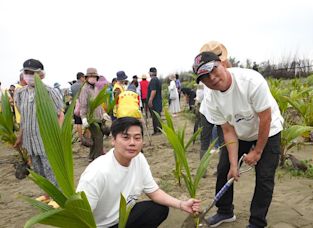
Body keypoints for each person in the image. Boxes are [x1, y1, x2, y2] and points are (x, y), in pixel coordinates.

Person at [192, 51, 284, 228]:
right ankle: (225, 211)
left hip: (268, 130)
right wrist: (234, 165)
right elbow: (228, 130)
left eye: (213, 70)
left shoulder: (251, 81)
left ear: (223, 64)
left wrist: (257, 152)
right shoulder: (211, 98)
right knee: (224, 169)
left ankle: (257, 222)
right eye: (204, 77)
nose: (212, 78)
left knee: (264, 177)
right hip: (239, 132)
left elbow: (265, 118)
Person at [76, 117, 201, 228]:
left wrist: (181, 204)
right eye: (125, 137)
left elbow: (154, 192)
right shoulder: (97, 172)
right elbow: (79, 217)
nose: (132, 143)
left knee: (158, 210)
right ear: (113, 140)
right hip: (100, 225)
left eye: (137, 138)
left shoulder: (138, 159)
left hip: (122, 220)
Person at [14, 59, 64, 204]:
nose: (28, 75)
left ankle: (58, 197)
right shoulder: (20, 93)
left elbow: (60, 115)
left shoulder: (49, 92)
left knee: (51, 169)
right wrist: (20, 137)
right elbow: (24, 118)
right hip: (30, 140)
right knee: (38, 169)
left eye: (32, 73)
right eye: (26, 72)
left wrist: (58, 136)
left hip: (46, 139)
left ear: (41, 75)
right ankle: (47, 195)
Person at [79, 68, 110, 162]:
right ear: (87, 77)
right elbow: (83, 105)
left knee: (95, 137)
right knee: (99, 137)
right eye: (90, 76)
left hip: (98, 117)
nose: (92, 78)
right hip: (91, 118)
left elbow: (99, 103)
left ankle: (92, 156)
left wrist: (104, 113)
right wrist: (83, 118)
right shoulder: (84, 89)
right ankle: (97, 158)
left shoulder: (96, 88)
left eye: (94, 76)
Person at [147, 67, 162, 135]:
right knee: (157, 115)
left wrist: (150, 100)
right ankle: (159, 130)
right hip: (158, 101)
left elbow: (153, 90)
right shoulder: (157, 79)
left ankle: (157, 131)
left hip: (155, 101)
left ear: (151, 73)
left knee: (155, 116)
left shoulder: (153, 80)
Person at [71, 72, 85, 143]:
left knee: (78, 122)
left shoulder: (72, 86)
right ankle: (87, 137)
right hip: (84, 105)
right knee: (86, 122)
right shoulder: (84, 85)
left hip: (76, 105)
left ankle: (81, 138)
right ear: (81, 77)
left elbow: (71, 97)